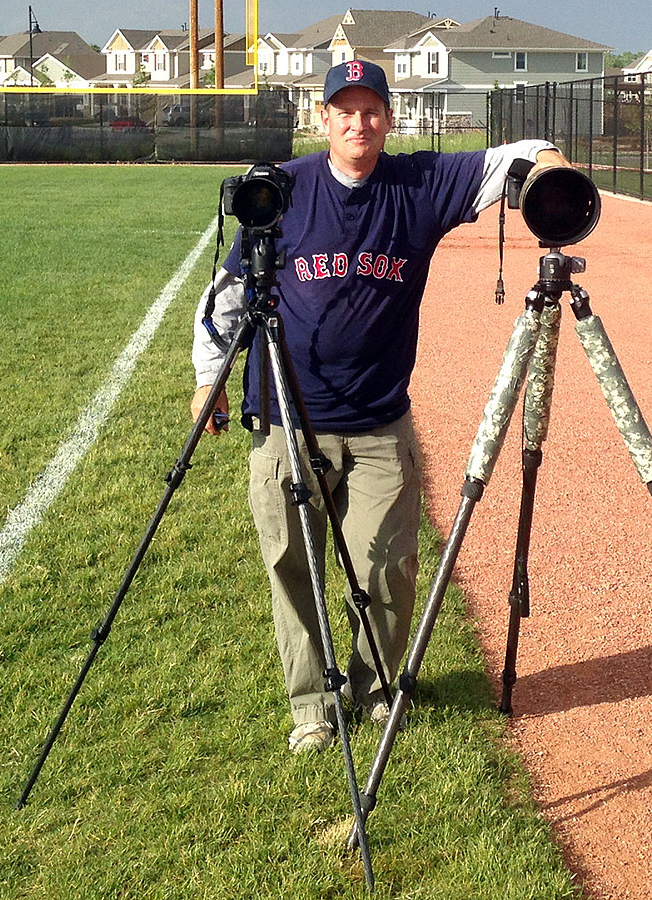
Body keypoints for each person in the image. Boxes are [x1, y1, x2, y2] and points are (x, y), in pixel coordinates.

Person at [191, 59, 572, 753]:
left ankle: (371, 687)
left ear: (388, 120)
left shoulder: (418, 184)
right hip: (286, 417)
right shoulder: (283, 189)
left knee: (388, 567)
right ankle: (311, 705)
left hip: (378, 421)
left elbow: (510, 159)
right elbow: (229, 293)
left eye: (371, 111)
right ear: (324, 118)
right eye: (345, 110)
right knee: (292, 565)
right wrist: (208, 378)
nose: (358, 123)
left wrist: (547, 160)